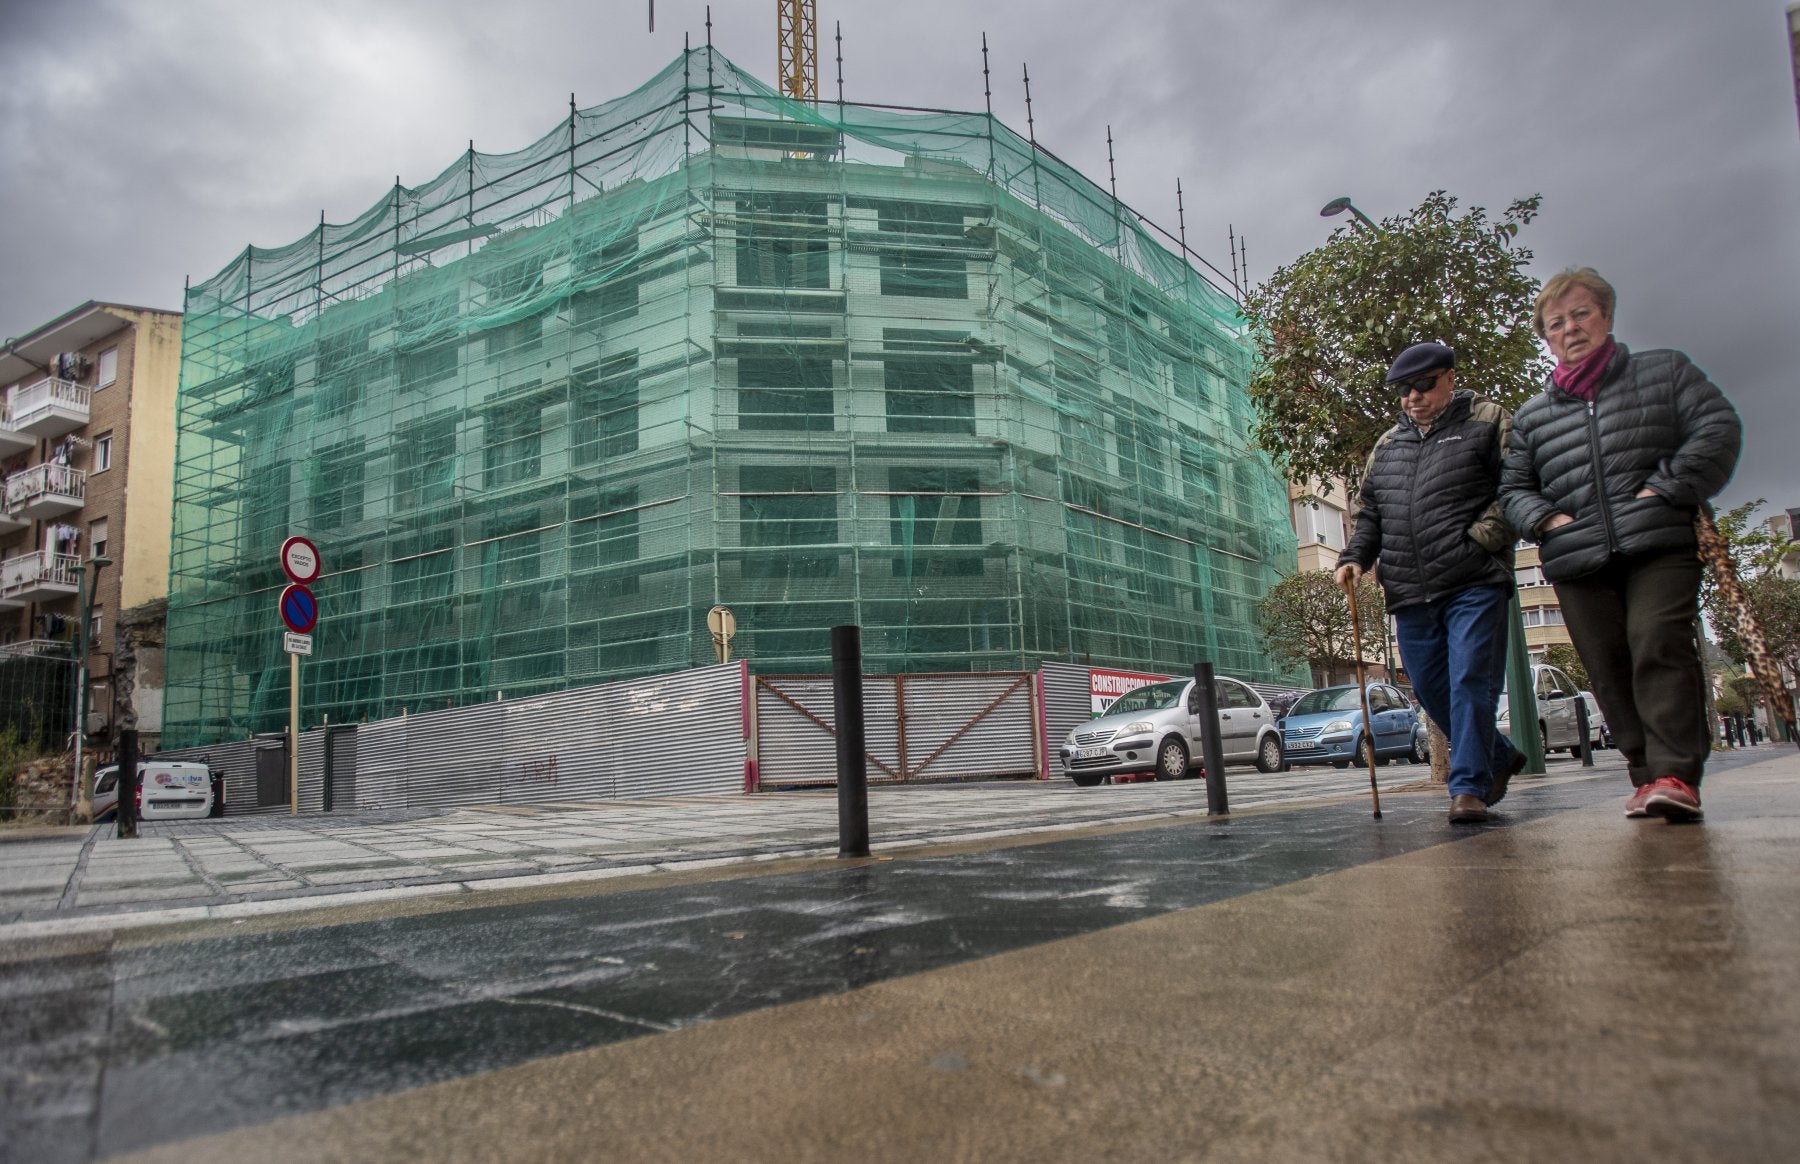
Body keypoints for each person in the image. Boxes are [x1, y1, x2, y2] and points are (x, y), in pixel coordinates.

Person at [1500, 268, 1741, 823]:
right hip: (1577, 556)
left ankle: (1677, 772)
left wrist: (1667, 486)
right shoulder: (1535, 417)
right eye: (1557, 322)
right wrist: (1545, 519)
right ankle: (1647, 775)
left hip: (1657, 541)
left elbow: (1718, 428)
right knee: (1607, 666)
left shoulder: (1665, 372)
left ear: (1606, 316)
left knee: (1656, 640)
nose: (1571, 328)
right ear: (1546, 336)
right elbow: (1513, 488)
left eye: (1581, 314)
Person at [1337, 342, 1525, 824]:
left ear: (1449, 379)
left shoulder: (1488, 419)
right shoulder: (1387, 445)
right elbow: (1370, 512)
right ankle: (1498, 755)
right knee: (1429, 687)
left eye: (1423, 385)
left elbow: (1517, 489)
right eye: (1404, 389)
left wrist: (1477, 542)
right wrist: (1355, 557)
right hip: (1409, 589)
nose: (1413, 396)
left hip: (1474, 581)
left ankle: (1468, 788)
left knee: (1470, 681)